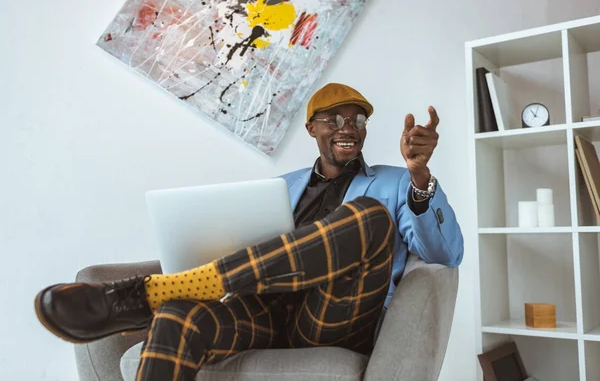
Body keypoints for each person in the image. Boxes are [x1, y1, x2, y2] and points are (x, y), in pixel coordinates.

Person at [34, 83, 464, 380]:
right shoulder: (280, 187)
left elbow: (446, 255)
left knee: (369, 215)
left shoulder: (395, 182)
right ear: (311, 128)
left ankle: (161, 288)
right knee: (177, 316)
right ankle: (170, 295)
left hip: (333, 314)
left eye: (357, 120)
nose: (347, 127)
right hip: (264, 307)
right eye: (333, 119)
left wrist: (420, 176)